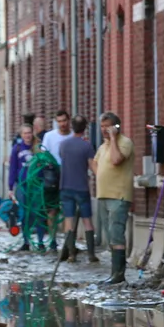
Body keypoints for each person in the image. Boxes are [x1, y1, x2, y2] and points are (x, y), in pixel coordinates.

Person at [94, 112, 134, 284]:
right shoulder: (103, 146)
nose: (104, 130)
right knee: (109, 234)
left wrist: (114, 138)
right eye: (102, 126)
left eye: (108, 126)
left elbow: (117, 160)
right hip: (103, 195)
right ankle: (113, 272)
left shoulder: (124, 143)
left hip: (119, 195)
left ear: (116, 126)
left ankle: (119, 275)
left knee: (117, 233)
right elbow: (95, 163)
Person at [57, 115, 100, 264]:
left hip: (66, 187)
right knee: (87, 221)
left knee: (69, 221)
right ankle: (91, 255)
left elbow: (62, 158)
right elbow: (93, 167)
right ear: (85, 128)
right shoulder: (87, 146)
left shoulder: (63, 144)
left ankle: (71, 255)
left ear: (71, 126)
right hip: (82, 188)